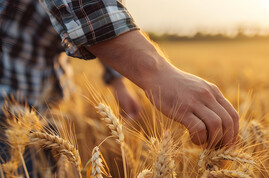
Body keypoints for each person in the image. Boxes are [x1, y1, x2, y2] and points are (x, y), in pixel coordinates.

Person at [0, 0, 239, 147]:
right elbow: (86, 9)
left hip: (50, 105)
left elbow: (95, 25)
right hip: (7, 105)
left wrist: (119, 84)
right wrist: (155, 70)